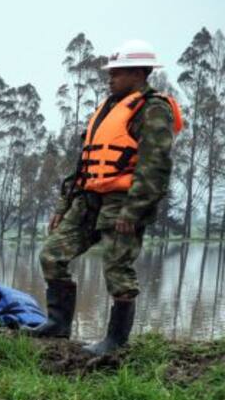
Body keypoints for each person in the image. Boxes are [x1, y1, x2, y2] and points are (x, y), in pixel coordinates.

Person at [33, 39, 183, 355]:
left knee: (117, 268)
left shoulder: (153, 109)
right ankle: (58, 325)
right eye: (111, 72)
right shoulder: (107, 108)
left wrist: (134, 209)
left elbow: (155, 165)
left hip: (123, 202)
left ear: (139, 74)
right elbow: (84, 162)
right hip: (88, 199)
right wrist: (65, 204)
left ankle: (115, 342)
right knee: (51, 254)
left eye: (118, 72)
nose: (110, 78)